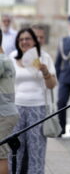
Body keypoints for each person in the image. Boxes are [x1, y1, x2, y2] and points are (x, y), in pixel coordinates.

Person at [9, 28, 57, 174]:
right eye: (21, 39)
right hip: (16, 108)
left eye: (27, 38)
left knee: (37, 149)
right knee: (14, 149)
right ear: (18, 42)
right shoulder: (12, 57)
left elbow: (52, 85)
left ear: (34, 41)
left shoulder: (44, 57)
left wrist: (45, 72)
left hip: (38, 107)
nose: (24, 42)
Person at [0, 29, 19, 174]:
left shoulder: (1, 60)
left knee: (0, 155)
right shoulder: (5, 58)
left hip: (3, 115)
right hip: (6, 113)